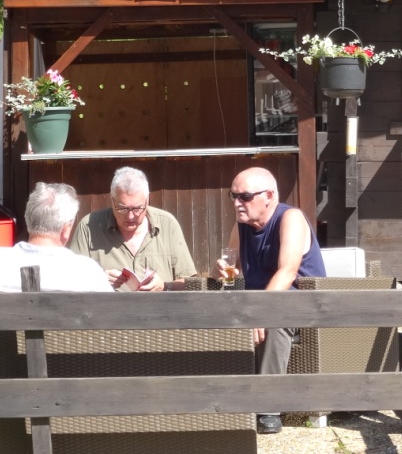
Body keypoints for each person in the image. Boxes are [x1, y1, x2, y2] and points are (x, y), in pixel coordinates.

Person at [213, 166, 326, 435]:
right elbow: (233, 271)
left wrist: (259, 313)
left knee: (276, 320)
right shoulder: (241, 227)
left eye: (245, 197)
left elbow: (287, 272)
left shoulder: (291, 218)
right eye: (233, 196)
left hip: (302, 306)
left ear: (269, 196)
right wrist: (221, 272)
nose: (238, 203)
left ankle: (268, 407)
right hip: (261, 302)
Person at [0, 182, 111, 292]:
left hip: (2, 342)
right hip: (68, 342)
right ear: (66, 228)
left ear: (28, 220)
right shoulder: (87, 271)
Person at [68, 166, 196, 291]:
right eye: (122, 208)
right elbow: (70, 280)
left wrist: (165, 286)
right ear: (112, 201)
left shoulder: (167, 224)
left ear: (147, 200)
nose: (130, 216)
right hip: (108, 311)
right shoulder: (89, 227)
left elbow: (190, 283)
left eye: (137, 208)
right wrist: (98, 280)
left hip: (160, 311)